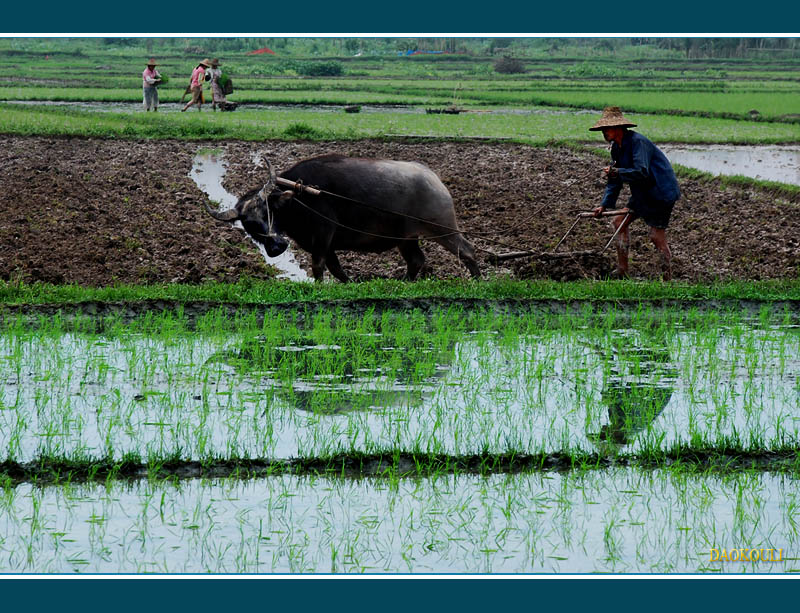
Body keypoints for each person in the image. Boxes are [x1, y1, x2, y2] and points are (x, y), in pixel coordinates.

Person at [590, 106, 681, 280]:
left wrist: (616, 172)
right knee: (619, 222)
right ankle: (622, 270)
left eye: (606, 129)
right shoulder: (616, 148)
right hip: (643, 192)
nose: (604, 133)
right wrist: (604, 205)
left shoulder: (638, 143)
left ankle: (668, 279)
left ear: (618, 128)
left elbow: (641, 171)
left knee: (656, 236)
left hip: (660, 192)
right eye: (602, 129)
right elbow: (614, 180)